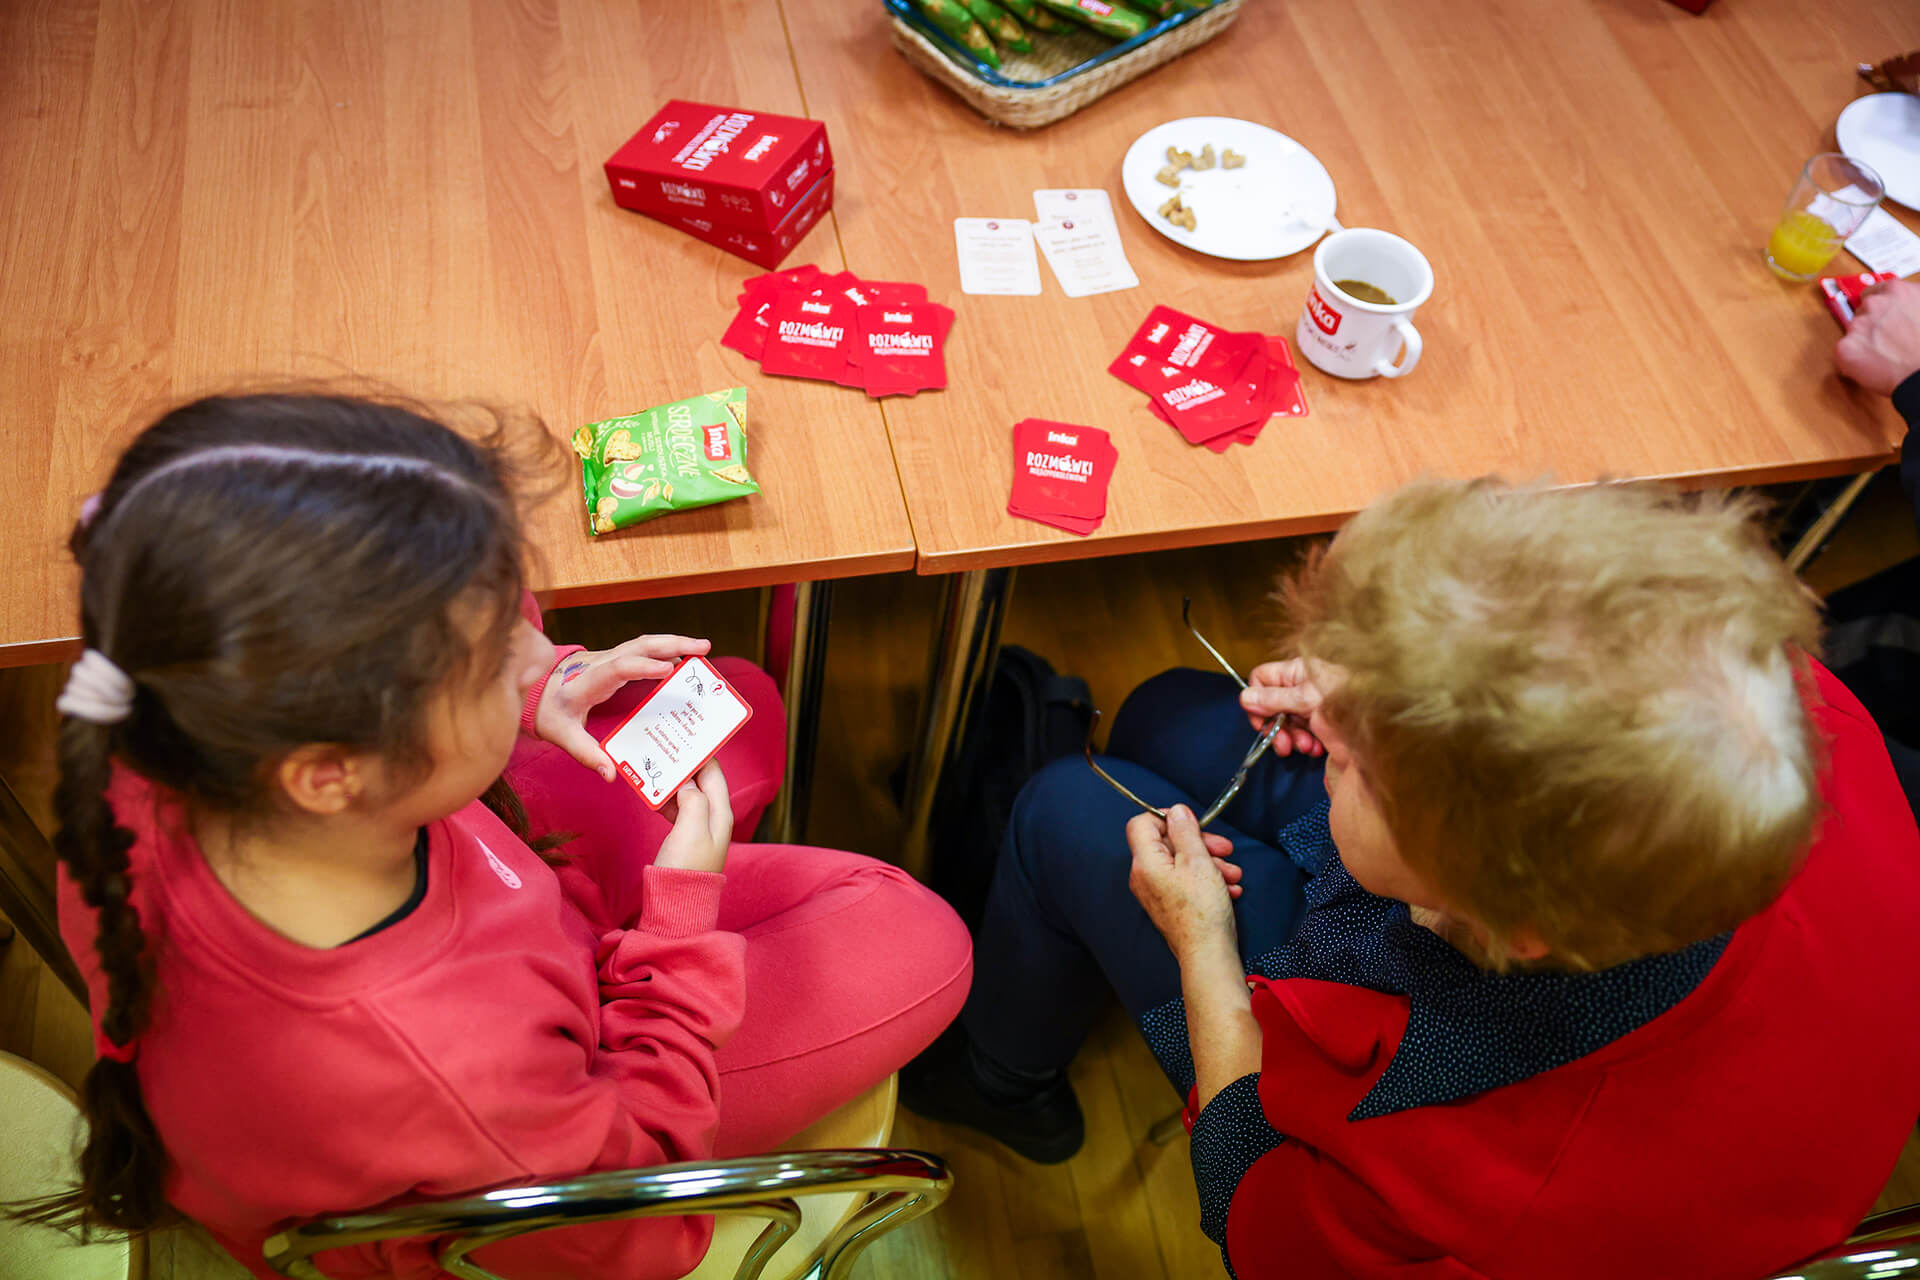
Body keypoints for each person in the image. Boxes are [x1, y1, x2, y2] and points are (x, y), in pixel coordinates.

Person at [25, 392, 972, 1280]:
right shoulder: (444, 1075)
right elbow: (639, 1235)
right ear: (332, 771)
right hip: (579, 1078)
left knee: (743, 711)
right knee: (922, 935)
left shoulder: (168, 725)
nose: (535, 649)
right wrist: (676, 938)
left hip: (511, 916)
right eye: (487, 665)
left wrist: (539, 687)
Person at [904, 476, 1920, 1279]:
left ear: (1491, 904)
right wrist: (1382, 682)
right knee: (1170, 714)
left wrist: (1201, 946)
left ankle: (1005, 1084)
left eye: (1359, 761)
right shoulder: (1741, 699)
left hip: (1408, 1103)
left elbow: (1255, 1211)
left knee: (1061, 810)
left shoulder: (1470, 1178)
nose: (1333, 724)